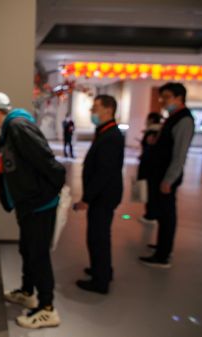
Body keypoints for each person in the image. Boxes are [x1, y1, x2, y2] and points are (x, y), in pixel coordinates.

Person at [0, 92, 65, 329]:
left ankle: (47, 309)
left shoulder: (18, 127)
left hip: (39, 205)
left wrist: (48, 193)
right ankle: (28, 292)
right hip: (28, 204)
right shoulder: (8, 132)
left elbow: (48, 162)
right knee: (27, 250)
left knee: (38, 254)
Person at [139, 83, 195, 268]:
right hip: (159, 174)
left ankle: (163, 254)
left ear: (179, 98)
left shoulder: (184, 120)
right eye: (162, 97)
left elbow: (179, 154)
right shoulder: (172, 117)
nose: (163, 101)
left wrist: (169, 180)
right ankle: (162, 246)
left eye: (167, 97)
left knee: (167, 214)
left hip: (166, 177)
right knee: (163, 214)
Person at [74, 95, 124, 294]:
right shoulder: (105, 131)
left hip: (104, 195)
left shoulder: (111, 136)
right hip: (103, 194)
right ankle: (102, 269)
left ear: (109, 109)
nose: (92, 112)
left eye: (95, 108)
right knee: (99, 234)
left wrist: (87, 199)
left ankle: (100, 281)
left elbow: (104, 172)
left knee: (97, 237)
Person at [137, 112, 163, 226]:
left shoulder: (152, 131)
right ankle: (152, 213)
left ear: (151, 120)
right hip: (155, 165)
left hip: (149, 165)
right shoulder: (161, 130)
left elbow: (149, 146)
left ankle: (150, 215)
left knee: (149, 190)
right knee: (152, 190)